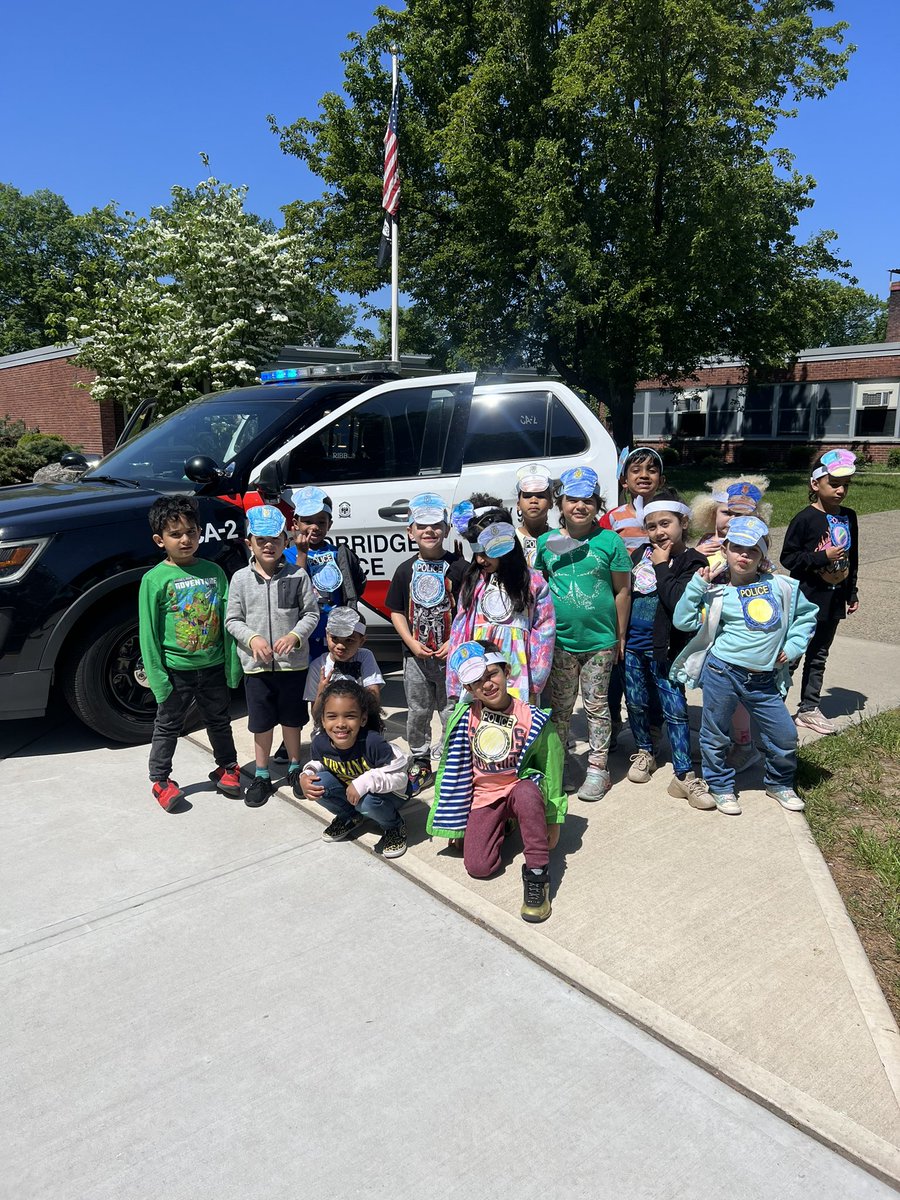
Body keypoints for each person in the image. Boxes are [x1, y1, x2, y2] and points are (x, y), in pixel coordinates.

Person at [672, 516, 818, 816]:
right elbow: (682, 620)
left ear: (764, 553)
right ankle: (721, 786)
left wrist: (792, 647)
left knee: (785, 735)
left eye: (753, 549)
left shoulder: (782, 587)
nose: (744, 555)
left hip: (764, 680)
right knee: (715, 734)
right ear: (725, 550)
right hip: (722, 673)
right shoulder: (717, 593)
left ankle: (778, 783)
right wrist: (697, 585)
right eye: (737, 547)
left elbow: (807, 616)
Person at [427, 641, 565, 923]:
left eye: (491, 674)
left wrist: (553, 817)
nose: (486, 685)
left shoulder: (531, 717)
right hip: (485, 796)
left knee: (526, 794)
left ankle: (538, 875)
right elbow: (455, 773)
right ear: (468, 690)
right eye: (476, 682)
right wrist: (458, 824)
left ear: (506, 670)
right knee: (479, 867)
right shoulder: (464, 718)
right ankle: (506, 822)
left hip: (519, 787)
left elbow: (551, 766)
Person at [138, 495, 242, 812]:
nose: (185, 540)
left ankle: (227, 768)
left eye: (191, 532)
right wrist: (157, 677)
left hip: (213, 667)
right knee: (168, 725)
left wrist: (232, 665)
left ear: (200, 533)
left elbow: (229, 622)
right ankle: (161, 780)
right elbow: (149, 633)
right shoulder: (154, 580)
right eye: (175, 534)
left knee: (219, 721)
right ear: (160, 540)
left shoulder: (214, 572)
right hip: (175, 671)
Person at [534, 465, 632, 800]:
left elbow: (622, 591)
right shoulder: (547, 543)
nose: (580, 506)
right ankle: (559, 767)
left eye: (588, 500)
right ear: (560, 504)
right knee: (561, 709)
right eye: (572, 499)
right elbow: (539, 589)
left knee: (597, 705)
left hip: (600, 643)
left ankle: (598, 769)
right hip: (560, 643)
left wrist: (620, 636)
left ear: (597, 504)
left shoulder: (610, 542)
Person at [622, 489, 713, 809]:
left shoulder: (693, 561)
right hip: (633, 647)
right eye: (652, 526)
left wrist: (662, 566)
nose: (659, 532)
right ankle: (645, 750)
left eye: (666, 524)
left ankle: (685, 775)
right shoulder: (638, 557)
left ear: (683, 522)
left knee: (675, 710)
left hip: (667, 651)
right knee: (636, 703)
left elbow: (678, 604)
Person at [224, 505, 319, 807]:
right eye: (261, 539)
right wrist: (251, 638)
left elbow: (310, 613)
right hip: (257, 668)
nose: (269, 545)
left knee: (292, 719)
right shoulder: (240, 579)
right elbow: (232, 620)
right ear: (248, 542)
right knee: (261, 723)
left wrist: (295, 635)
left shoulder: (298, 575)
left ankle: (294, 766)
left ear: (286, 541)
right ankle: (262, 774)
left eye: (275, 539)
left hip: (293, 666)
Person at [271, 485, 367, 763]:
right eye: (308, 521)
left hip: (332, 636)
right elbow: (291, 593)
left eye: (321, 522)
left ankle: (322, 735)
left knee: (329, 687)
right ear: (295, 523)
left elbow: (352, 590)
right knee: (297, 691)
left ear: (330, 524)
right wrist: (300, 554)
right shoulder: (286, 556)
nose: (314, 527)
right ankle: (290, 738)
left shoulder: (339, 553)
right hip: (301, 636)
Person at [689, 476, 774, 774]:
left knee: (736, 694)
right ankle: (718, 740)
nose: (733, 520)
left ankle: (743, 745)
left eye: (743, 516)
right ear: (711, 512)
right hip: (709, 629)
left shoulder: (750, 553)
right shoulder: (703, 545)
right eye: (727, 512)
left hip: (739, 634)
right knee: (714, 691)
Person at [386, 492, 466, 798]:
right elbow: (395, 610)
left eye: (436, 525)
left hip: (450, 657)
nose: (429, 531)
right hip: (416, 659)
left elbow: (468, 610)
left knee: (450, 710)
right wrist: (410, 642)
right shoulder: (404, 570)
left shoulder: (460, 567)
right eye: (422, 526)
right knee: (418, 710)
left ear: (446, 529)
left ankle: (450, 759)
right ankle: (419, 759)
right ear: (410, 531)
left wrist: (453, 641)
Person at [446, 496, 555, 705]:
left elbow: (544, 630)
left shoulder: (533, 582)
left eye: (486, 553)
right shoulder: (474, 582)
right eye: (477, 553)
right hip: (476, 669)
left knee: (516, 726)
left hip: (517, 670)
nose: (480, 560)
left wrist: (536, 679)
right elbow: (460, 629)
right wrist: (455, 677)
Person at [781, 449, 860, 735]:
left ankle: (809, 708)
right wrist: (821, 557)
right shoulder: (805, 519)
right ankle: (773, 706)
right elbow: (788, 558)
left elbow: (853, 556)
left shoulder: (849, 517)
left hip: (834, 598)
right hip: (805, 599)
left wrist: (851, 592)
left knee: (819, 655)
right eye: (835, 484)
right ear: (816, 485)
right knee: (792, 655)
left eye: (846, 485)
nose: (841, 490)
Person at [297, 678, 409, 858]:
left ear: (363, 718)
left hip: (389, 796)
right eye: (332, 716)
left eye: (350, 716)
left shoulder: (373, 743)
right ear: (323, 720)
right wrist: (307, 774)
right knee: (318, 784)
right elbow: (320, 762)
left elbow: (400, 777)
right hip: (354, 792)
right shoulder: (320, 742)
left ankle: (393, 825)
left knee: (367, 802)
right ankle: (350, 816)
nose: (340, 723)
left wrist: (365, 782)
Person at [600, 447, 666, 745]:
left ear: (660, 479)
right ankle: (613, 718)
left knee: (654, 662)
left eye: (651, 470)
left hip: (656, 603)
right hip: (622, 598)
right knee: (617, 662)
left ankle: (654, 722)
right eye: (636, 470)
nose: (644, 475)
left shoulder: (668, 515)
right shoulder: (613, 518)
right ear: (623, 480)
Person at [303, 607, 385, 734]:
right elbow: (316, 714)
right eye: (335, 638)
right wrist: (321, 689)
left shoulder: (365, 656)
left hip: (359, 723)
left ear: (362, 641)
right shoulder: (318, 665)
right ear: (327, 635)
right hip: (330, 728)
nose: (341, 646)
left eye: (349, 640)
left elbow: (374, 699)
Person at [514, 462, 554, 567]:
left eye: (540, 496)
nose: (533, 500)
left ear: (551, 503)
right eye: (527, 496)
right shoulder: (510, 540)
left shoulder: (559, 538)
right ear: (518, 504)